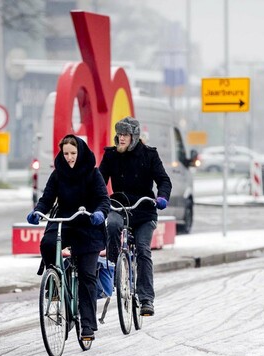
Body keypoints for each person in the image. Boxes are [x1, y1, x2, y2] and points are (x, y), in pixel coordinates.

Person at [27, 134, 109, 340]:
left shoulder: (93, 174)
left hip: (89, 223)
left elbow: (103, 199)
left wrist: (99, 213)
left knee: (86, 275)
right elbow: (47, 198)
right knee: (47, 243)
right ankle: (54, 281)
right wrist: (38, 211)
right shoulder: (58, 174)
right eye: (66, 154)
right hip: (64, 222)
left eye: (73, 153)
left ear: (80, 152)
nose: (69, 158)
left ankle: (88, 325)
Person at [99, 116, 172, 316]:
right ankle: (115, 267)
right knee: (112, 226)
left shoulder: (149, 155)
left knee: (142, 249)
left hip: (144, 210)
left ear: (134, 136)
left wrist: (162, 197)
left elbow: (164, 180)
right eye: (119, 134)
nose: (121, 138)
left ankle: (146, 298)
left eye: (125, 135)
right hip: (119, 207)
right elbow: (99, 181)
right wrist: (96, 200)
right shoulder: (111, 155)